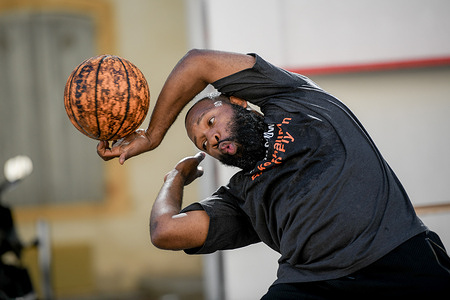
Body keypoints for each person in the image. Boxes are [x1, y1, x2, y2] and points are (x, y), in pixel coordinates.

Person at [97, 49, 450, 299]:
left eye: (210, 122)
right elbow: (166, 230)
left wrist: (153, 135)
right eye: (204, 143)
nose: (213, 139)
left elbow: (197, 63)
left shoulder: (297, 99)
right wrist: (175, 176)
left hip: (399, 259)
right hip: (314, 285)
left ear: (236, 100)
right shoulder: (241, 196)